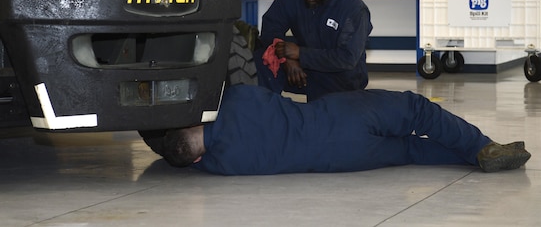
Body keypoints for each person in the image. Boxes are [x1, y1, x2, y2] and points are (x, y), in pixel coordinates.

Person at [158, 85, 531, 175]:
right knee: (416, 110)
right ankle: (482, 148)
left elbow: (184, 158)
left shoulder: (222, 166)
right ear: (195, 122)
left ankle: (474, 161)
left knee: (410, 150)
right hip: (341, 117)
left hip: (347, 158)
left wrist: (175, 154)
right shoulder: (236, 101)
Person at [255, 0, 373, 101]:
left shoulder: (353, 9)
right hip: (301, 68)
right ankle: (267, 114)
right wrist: (287, 59)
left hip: (340, 76)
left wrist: (300, 54)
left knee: (322, 115)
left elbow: (346, 58)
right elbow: (270, 27)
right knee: (262, 60)